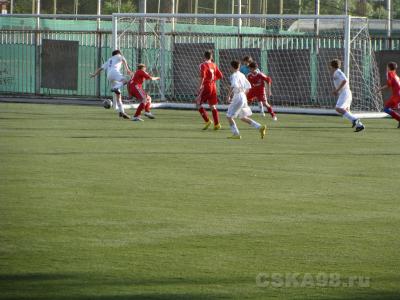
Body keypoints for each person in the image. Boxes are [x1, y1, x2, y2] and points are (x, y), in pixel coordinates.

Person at [226, 60, 267, 139]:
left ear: (232, 67)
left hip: (238, 96)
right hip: (243, 96)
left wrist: (228, 95)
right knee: (242, 117)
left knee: (229, 116)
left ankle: (236, 134)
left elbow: (234, 85)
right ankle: (260, 127)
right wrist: (243, 95)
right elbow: (248, 87)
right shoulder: (242, 75)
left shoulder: (234, 75)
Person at [90, 50, 132, 119]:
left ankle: (121, 112)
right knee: (125, 80)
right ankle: (116, 88)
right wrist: (127, 69)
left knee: (118, 96)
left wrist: (95, 74)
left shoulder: (110, 60)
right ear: (118, 53)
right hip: (115, 72)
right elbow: (123, 59)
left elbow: (101, 68)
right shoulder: (118, 56)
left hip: (109, 76)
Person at [330, 59, 365, 132]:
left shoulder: (337, 72)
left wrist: (337, 90)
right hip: (345, 93)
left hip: (345, 92)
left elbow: (345, 80)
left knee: (338, 108)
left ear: (332, 66)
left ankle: (355, 120)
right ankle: (360, 125)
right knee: (347, 111)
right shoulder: (337, 72)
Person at [196, 50, 223, 130]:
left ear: (204, 56)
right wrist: (213, 80)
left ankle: (207, 121)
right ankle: (217, 124)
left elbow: (202, 76)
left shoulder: (203, 65)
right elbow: (220, 76)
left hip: (206, 86)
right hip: (213, 87)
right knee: (212, 105)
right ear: (211, 57)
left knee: (198, 104)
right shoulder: (214, 65)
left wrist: (200, 86)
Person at [379, 62, 400, 128]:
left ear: (389, 67)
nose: (386, 68)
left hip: (397, 95)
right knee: (396, 109)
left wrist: (380, 89)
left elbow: (388, 85)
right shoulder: (395, 75)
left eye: (387, 67)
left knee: (386, 109)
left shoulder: (389, 74)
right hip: (398, 94)